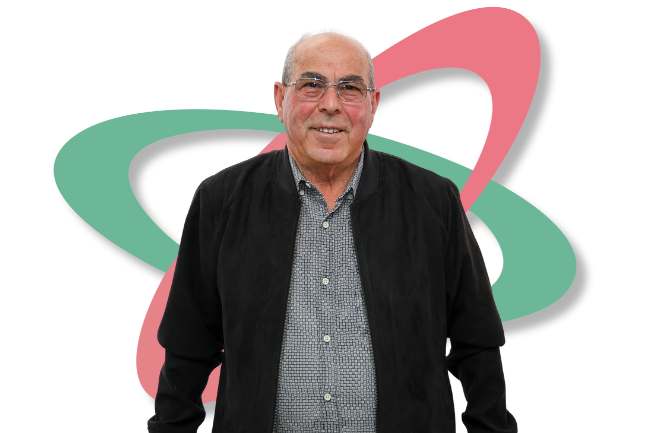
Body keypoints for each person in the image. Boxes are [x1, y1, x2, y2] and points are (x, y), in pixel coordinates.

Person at [147, 31, 517, 433]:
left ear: (373, 105)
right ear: (280, 100)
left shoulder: (433, 201)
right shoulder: (221, 201)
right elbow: (188, 346)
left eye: (350, 88)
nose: (330, 104)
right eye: (311, 85)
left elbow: (477, 342)